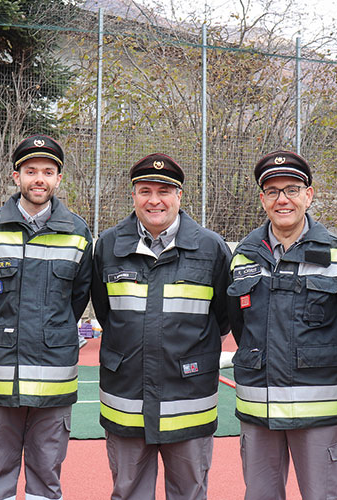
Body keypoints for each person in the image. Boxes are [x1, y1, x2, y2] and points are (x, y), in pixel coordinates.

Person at [227, 151, 337, 500]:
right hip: (258, 408)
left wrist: (319, 364)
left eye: (292, 189)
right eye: (273, 191)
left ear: (309, 194)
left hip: (317, 410)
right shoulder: (243, 255)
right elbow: (239, 325)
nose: (283, 199)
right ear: (263, 199)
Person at [90, 153, 231, 500]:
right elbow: (107, 312)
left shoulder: (211, 248)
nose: (155, 200)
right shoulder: (108, 246)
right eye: (145, 190)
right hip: (126, 396)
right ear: (133, 195)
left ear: (179, 196)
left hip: (188, 399)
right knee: (128, 492)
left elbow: (224, 318)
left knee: (189, 493)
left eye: (165, 190)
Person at [0, 135, 93, 500]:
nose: (40, 178)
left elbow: (77, 299)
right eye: (31, 170)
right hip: (0, 377)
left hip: (54, 380)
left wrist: (51, 331)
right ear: (16, 175)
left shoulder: (78, 233)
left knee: (46, 478)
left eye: (48, 172)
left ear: (58, 179)